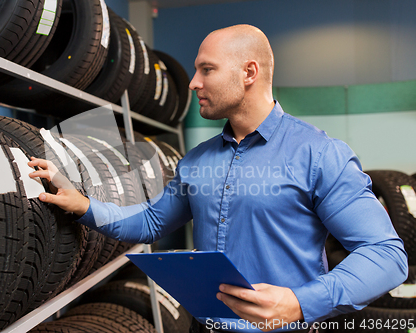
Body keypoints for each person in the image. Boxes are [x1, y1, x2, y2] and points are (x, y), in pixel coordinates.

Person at [28, 25, 408, 332]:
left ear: (249, 73)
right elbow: (151, 221)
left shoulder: (319, 154)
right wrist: (83, 205)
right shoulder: (196, 161)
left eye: (206, 69)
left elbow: (386, 256)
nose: (193, 82)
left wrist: (299, 303)